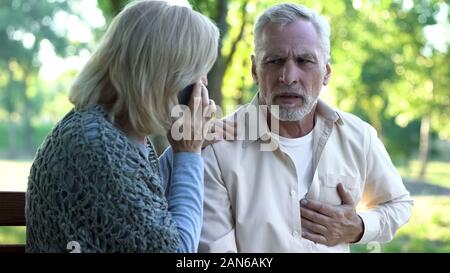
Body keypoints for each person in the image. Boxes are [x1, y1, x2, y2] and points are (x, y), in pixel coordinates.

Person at [199, 3, 413, 253]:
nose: (288, 76)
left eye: (304, 61)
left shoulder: (358, 136)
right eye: (274, 61)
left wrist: (358, 226)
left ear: (327, 72)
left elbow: (398, 204)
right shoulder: (216, 148)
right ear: (255, 70)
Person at [26, 0, 219, 253]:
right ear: (165, 74)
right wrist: (189, 154)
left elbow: (143, 210)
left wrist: (186, 146)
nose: (203, 82)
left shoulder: (111, 133)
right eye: (199, 70)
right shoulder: (97, 147)